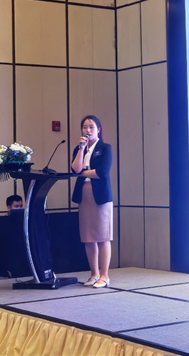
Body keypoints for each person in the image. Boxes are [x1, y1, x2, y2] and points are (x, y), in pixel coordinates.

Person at [71, 115, 113, 288]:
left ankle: (105, 275)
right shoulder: (79, 148)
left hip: (101, 195)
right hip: (84, 194)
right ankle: (94, 274)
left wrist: (83, 172)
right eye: (85, 127)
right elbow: (75, 169)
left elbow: (102, 173)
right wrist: (81, 149)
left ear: (98, 130)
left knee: (103, 236)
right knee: (88, 237)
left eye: (91, 127)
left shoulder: (105, 148)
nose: (87, 130)